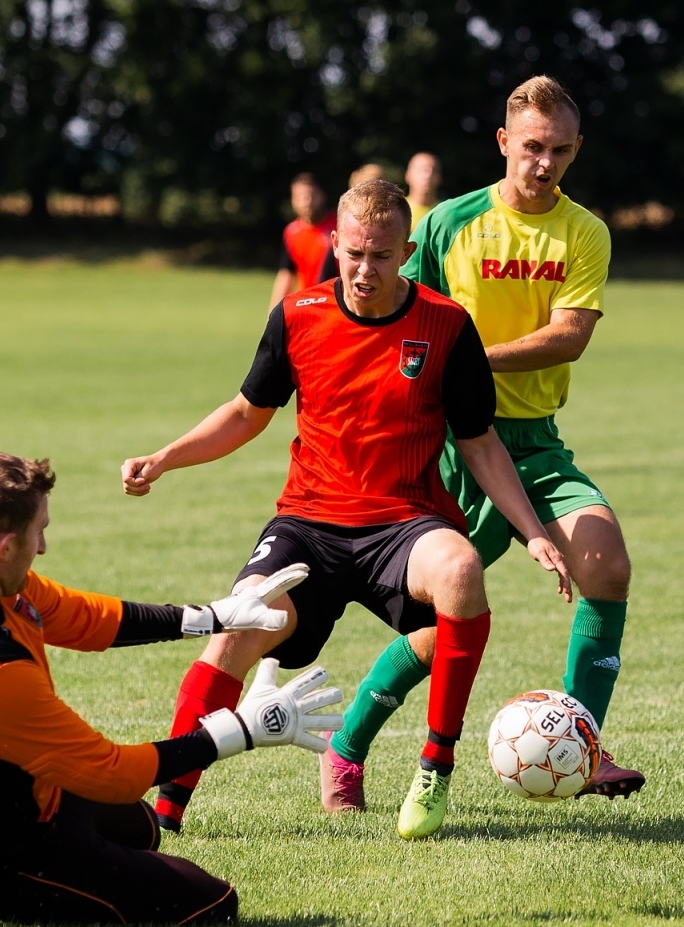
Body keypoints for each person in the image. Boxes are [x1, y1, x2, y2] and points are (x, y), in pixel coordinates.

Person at [123, 179, 571, 841]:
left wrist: (533, 531)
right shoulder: (299, 313)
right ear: (336, 244)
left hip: (404, 523)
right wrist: (165, 457)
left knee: (462, 570)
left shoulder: (446, 325)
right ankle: (166, 813)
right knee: (236, 625)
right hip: (308, 524)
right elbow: (248, 413)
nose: (365, 269)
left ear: (406, 251)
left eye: (382, 256)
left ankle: (434, 768)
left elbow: (479, 442)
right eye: (354, 253)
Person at [0, 452, 343, 924]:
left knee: (143, 830)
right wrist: (243, 731)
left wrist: (213, 617)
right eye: (38, 533)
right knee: (214, 903)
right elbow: (114, 774)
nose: (44, 546)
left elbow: (83, 617)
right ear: (5, 547)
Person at [325, 75, 645, 812]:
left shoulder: (585, 231)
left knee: (606, 563)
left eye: (560, 150)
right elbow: (396, 315)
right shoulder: (448, 224)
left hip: (534, 440)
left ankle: (582, 744)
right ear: (505, 142)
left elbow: (570, 337)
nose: (545, 163)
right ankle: (348, 744)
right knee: (444, 624)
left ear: (575, 150)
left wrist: (471, 357)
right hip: (452, 445)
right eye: (532, 147)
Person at [267, 173, 335, 309]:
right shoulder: (291, 232)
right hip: (308, 304)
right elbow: (286, 273)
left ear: (322, 196)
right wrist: (274, 313)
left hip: (336, 304)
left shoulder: (339, 226)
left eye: (311, 196)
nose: (306, 202)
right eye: (300, 197)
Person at [405, 152, 442, 226]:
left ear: (440, 177)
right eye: (422, 169)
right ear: (408, 175)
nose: (428, 175)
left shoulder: (444, 211)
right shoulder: (397, 210)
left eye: (434, 170)